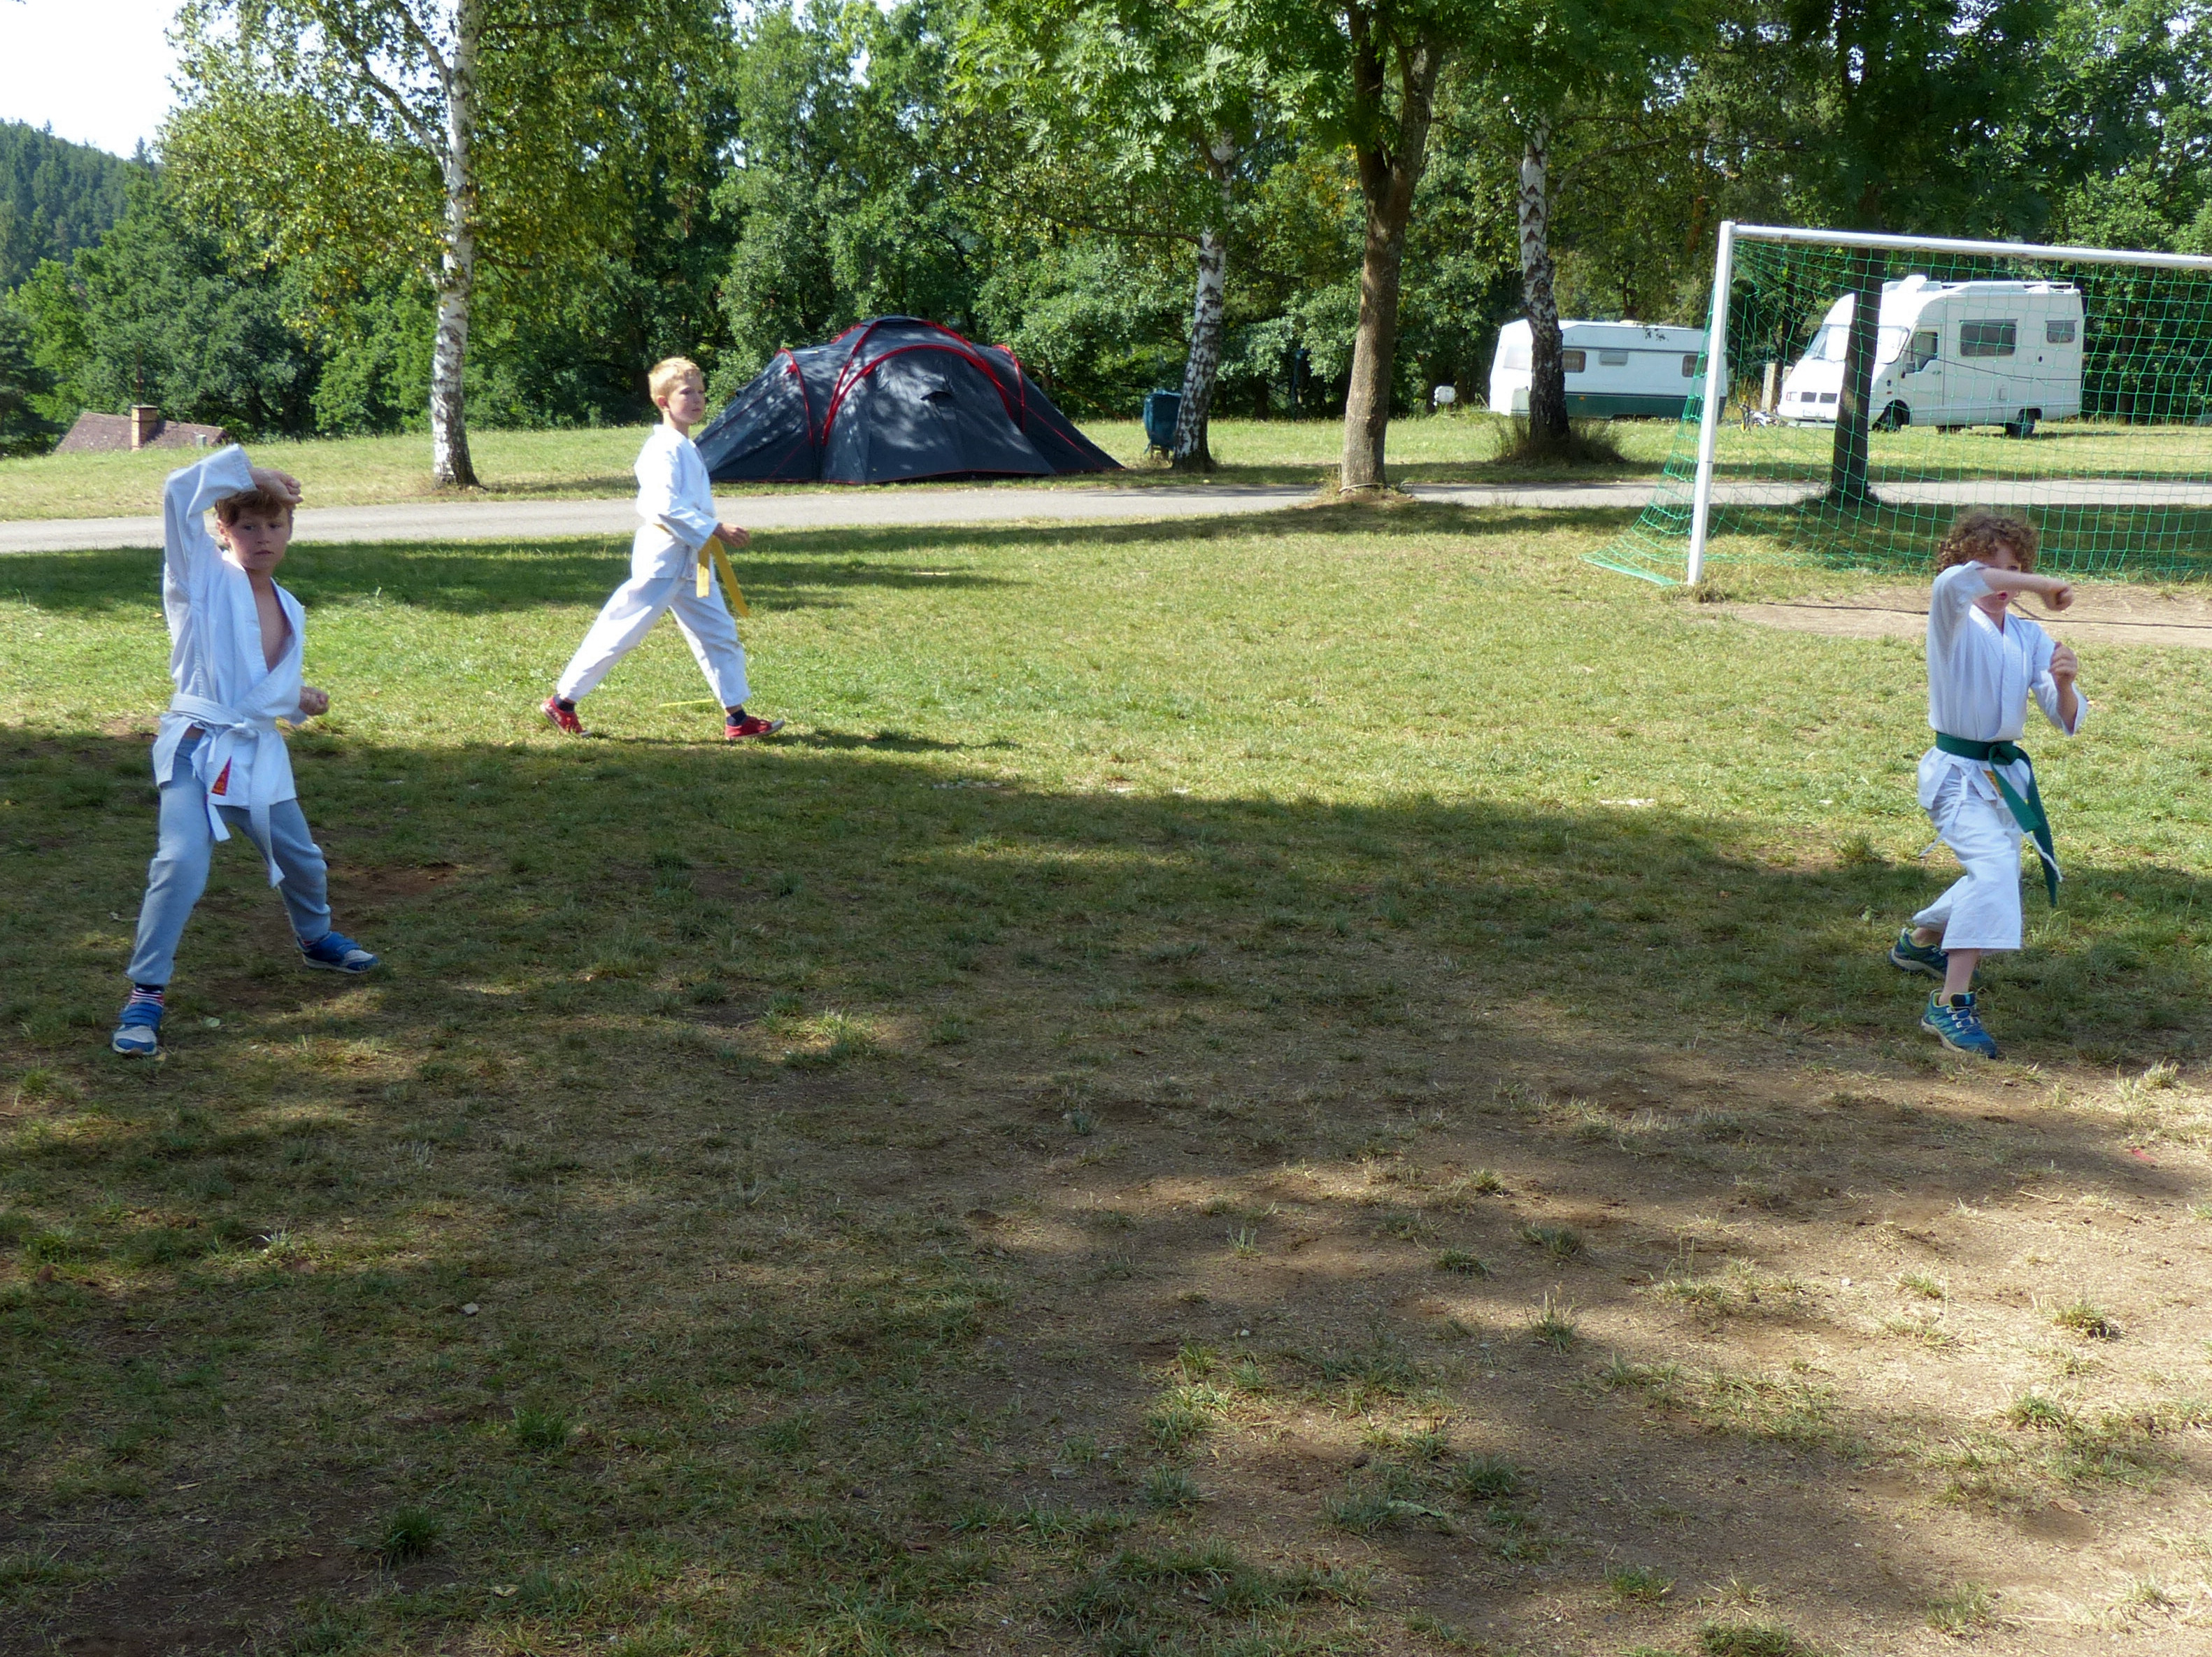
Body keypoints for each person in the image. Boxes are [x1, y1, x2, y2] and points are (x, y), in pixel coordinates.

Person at [113, 448, 380, 1057]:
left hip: (256, 752)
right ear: (223, 529)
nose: (263, 537)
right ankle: (146, 991)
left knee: (303, 860)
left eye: (275, 525)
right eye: (249, 525)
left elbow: (256, 681)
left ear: (290, 529)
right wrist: (249, 476)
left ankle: (315, 940)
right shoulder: (201, 579)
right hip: (198, 748)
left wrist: (296, 697)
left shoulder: (290, 604)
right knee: (181, 860)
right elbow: (178, 492)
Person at [1888, 511, 2083, 1059]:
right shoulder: (1950, 613)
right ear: (1963, 566)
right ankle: (1948, 1002)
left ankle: (1920, 940)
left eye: (2015, 569)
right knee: (1995, 869)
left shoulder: (2027, 634)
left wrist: (2065, 682)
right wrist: (2041, 584)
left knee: (1994, 868)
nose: (2004, 580)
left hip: (2003, 778)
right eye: (1992, 567)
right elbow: (1963, 581)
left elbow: (2063, 717)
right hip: (1954, 774)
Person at [542, 357, 782, 741]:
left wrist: (708, 531)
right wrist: (715, 528)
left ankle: (737, 719)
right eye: (687, 393)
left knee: (718, 634)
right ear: (663, 402)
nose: (697, 399)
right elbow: (662, 505)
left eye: (701, 392)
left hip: (694, 560)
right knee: (623, 628)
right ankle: (562, 702)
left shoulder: (686, 445)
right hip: (664, 558)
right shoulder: (661, 449)